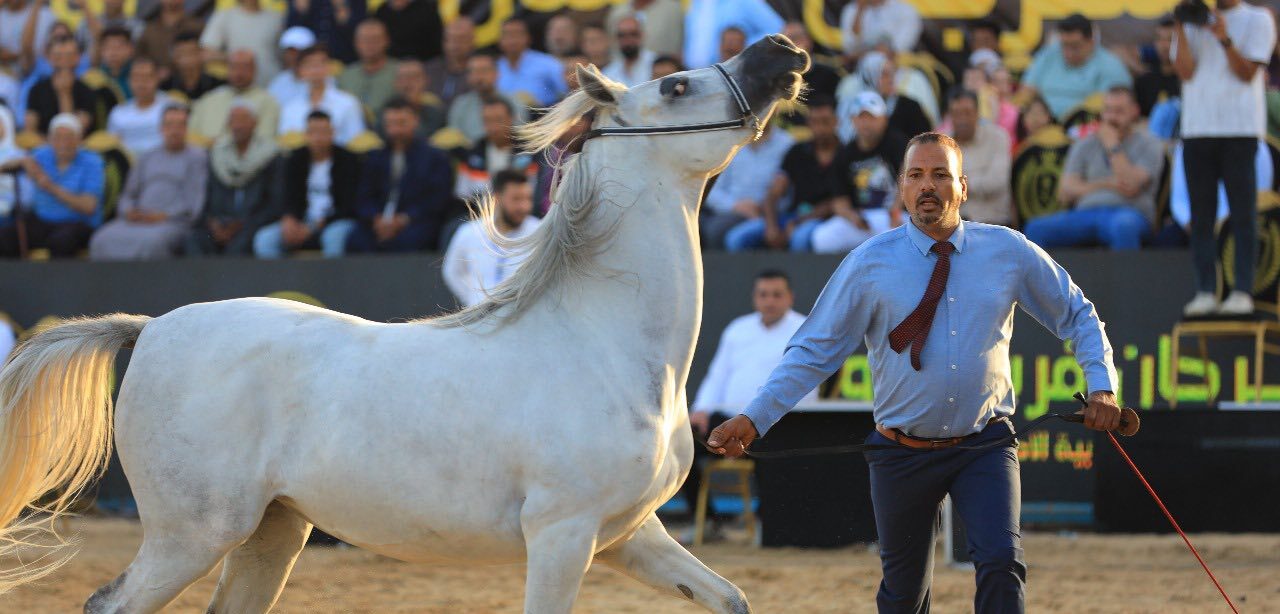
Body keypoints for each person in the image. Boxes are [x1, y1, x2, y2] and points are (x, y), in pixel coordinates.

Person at [707, 131, 1124, 614]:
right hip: (899, 451)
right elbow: (814, 351)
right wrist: (755, 417)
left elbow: (1077, 314)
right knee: (904, 595)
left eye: (941, 174)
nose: (928, 185)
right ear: (902, 189)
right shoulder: (869, 262)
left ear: (963, 187)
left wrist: (1102, 387)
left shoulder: (1007, 250)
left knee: (1001, 563)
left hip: (984, 444)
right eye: (916, 175)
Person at [681, 270, 814, 531]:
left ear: (790, 298)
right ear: (755, 298)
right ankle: (707, 522)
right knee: (682, 446)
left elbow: (807, 384)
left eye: (776, 295)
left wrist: (760, 421)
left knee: (776, 449)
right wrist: (701, 409)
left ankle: (768, 523)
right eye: (763, 295)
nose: (769, 301)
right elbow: (717, 376)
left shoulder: (804, 329)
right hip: (726, 420)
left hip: (777, 424)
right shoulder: (737, 329)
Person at [1174, 0, 1276, 317]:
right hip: (1197, 130)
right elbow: (1184, 71)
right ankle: (1206, 290)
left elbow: (1247, 73)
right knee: (1201, 217)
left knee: (1243, 214)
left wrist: (1224, 37)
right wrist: (1180, 25)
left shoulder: (1258, 18)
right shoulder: (1191, 21)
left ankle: (1242, 290)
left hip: (1239, 130)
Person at [1023, 87, 1164, 250]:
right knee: (1035, 228)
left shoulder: (1149, 143)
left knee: (1123, 226)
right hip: (1084, 213)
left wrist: (1112, 145)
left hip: (1129, 211)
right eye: (1108, 110)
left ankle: (1127, 268)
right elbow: (1065, 192)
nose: (1112, 118)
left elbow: (1130, 184)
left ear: (1134, 111)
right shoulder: (1085, 143)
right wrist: (1108, 184)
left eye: (1119, 111)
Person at [725, 96, 844, 252]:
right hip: (792, 217)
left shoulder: (846, 154)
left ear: (836, 122)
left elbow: (837, 203)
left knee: (800, 238)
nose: (819, 128)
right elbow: (773, 193)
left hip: (828, 221)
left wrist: (797, 223)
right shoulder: (797, 152)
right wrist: (772, 226)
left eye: (825, 122)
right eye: (814, 122)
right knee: (737, 239)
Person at [90, 105, 206, 260]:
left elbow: (194, 202)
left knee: (152, 243)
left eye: (180, 125)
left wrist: (163, 216)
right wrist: (129, 211)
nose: (174, 131)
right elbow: (128, 194)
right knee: (101, 239)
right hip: (138, 219)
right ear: (161, 129)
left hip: (172, 222)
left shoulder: (197, 158)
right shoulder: (147, 157)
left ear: (186, 129)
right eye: (169, 125)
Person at [348, 97, 453, 252]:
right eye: (391, 124)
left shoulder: (434, 157)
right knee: (356, 240)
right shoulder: (375, 157)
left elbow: (437, 199)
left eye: (401, 123)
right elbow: (364, 196)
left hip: (417, 221)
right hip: (378, 222)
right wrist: (376, 218)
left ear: (415, 121)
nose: (396, 130)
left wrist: (403, 219)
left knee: (411, 241)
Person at [811, 90, 908, 253]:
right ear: (852, 120)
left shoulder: (898, 143)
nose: (866, 123)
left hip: (895, 216)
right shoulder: (845, 154)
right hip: (864, 218)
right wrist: (853, 217)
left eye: (872, 117)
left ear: (884, 119)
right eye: (861, 117)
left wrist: (896, 210)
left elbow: (909, 181)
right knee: (822, 238)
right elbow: (839, 200)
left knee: (894, 238)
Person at [254, 110, 358, 258]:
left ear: (333, 133)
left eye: (323, 132)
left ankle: (333, 274)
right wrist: (288, 218)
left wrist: (315, 226)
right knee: (265, 239)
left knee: (334, 238)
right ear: (305, 135)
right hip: (302, 220)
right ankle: (280, 274)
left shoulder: (348, 160)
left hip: (335, 221)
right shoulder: (294, 159)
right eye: (313, 132)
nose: (318, 137)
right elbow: (286, 196)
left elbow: (348, 205)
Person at [0, 113, 102, 258]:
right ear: (50, 139)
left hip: (77, 222)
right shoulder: (42, 155)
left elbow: (89, 206)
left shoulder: (92, 162)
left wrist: (51, 187)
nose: (63, 143)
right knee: (5, 238)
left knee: (61, 241)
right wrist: (22, 162)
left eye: (69, 137)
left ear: (79, 140)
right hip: (42, 220)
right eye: (57, 137)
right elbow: (7, 167)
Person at [187, 100, 280, 256]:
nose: (238, 126)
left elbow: (274, 203)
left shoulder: (270, 156)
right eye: (234, 120)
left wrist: (242, 224)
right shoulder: (217, 155)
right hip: (219, 225)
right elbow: (207, 196)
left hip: (252, 224)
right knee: (194, 241)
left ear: (255, 123)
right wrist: (213, 222)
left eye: (243, 120)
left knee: (240, 247)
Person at [442, 169, 540, 307]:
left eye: (528, 199)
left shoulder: (539, 232)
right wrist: (474, 301)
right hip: (480, 317)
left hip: (524, 315)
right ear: (496, 198)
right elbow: (452, 272)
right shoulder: (469, 232)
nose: (524, 206)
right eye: (516, 199)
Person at [1019, 14, 1133, 120]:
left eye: (1075, 47)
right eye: (1064, 45)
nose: (1068, 53)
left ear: (1091, 42)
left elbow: (1114, 110)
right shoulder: (1049, 55)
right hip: (1041, 122)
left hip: (1084, 124)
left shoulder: (1111, 67)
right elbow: (1027, 89)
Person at [701, 122, 794, 249]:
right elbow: (712, 190)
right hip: (731, 210)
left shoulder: (787, 144)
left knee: (716, 230)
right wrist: (735, 205)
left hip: (773, 214)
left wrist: (765, 210)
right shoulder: (730, 142)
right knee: (696, 225)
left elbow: (789, 190)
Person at [945, 89, 1012, 227]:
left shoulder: (998, 137)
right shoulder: (943, 143)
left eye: (967, 113)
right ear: (950, 116)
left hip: (992, 224)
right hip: (954, 226)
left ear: (977, 113)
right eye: (956, 114)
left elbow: (996, 182)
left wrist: (956, 183)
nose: (962, 119)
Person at [452, 96, 536, 200]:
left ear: (512, 118)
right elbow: (462, 198)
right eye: (487, 121)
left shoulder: (530, 153)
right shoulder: (471, 155)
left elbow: (536, 194)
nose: (493, 127)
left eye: (499, 120)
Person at [279, 45, 366, 144]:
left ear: (330, 67)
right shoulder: (289, 108)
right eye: (310, 65)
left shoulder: (348, 103)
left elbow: (356, 141)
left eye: (321, 64)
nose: (316, 69)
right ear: (301, 71)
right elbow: (286, 142)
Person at [190, 49, 281, 142]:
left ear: (254, 70)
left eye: (244, 67)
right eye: (234, 67)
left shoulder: (268, 102)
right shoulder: (209, 99)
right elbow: (191, 135)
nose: (239, 73)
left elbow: (265, 139)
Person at [201, 0, 286, 87]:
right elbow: (206, 52)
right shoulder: (225, 16)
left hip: (272, 85)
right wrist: (237, 59)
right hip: (239, 87)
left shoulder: (276, 18)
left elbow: (285, 55)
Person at [448, 53, 526, 143]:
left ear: (497, 73)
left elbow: (520, 136)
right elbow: (454, 136)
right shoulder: (460, 105)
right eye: (473, 72)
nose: (479, 77)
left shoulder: (515, 102)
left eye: (484, 71)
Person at [24, 35, 94, 135]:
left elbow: (74, 132)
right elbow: (30, 130)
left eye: (69, 56)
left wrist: (64, 94)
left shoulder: (87, 90)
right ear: (49, 57)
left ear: (78, 57)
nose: (64, 61)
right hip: (43, 142)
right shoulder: (36, 90)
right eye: (58, 56)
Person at [682, 0, 782, 69]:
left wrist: (744, 47)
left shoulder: (745, 2)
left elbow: (777, 30)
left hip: (730, 75)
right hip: (694, 75)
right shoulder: (696, 3)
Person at [496, 17, 567, 107]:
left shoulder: (549, 64)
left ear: (528, 38)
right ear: (499, 40)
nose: (512, 40)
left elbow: (566, 93)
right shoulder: (494, 68)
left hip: (544, 113)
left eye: (517, 34)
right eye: (508, 35)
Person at [106, 57, 171, 154]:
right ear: (129, 81)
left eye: (147, 77)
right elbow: (113, 146)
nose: (141, 83)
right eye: (136, 78)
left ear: (157, 78)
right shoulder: (118, 112)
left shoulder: (171, 108)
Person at [338, 19, 398, 113]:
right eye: (364, 39)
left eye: (375, 39)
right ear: (356, 43)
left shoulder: (400, 72)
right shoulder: (346, 75)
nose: (370, 44)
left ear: (387, 41)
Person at [286, 0, 364, 64]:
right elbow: (292, 31)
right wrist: (301, 11)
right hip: (309, 59)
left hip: (344, 59)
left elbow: (359, 30)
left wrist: (341, 7)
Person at [839, 0, 922, 57]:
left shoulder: (906, 10)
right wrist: (860, 11)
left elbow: (900, 48)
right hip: (858, 68)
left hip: (898, 69)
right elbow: (849, 48)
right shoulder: (851, 10)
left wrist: (875, 52)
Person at [135, 0, 202, 71]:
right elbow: (139, 58)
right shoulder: (148, 29)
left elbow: (205, 55)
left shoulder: (197, 26)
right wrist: (155, 71)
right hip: (156, 76)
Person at [423, 16, 473, 109]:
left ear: (472, 41)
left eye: (461, 39)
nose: (455, 45)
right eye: (450, 39)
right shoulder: (430, 70)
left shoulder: (478, 71)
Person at [1135, 17, 1181, 117]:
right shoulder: (1144, 81)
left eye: (1170, 40)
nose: (1164, 46)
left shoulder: (1188, 81)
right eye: (1160, 39)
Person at [605, 0, 683, 59]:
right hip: (621, 72)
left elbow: (679, 46)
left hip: (662, 71)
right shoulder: (617, 11)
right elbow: (612, 45)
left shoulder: (672, 9)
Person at [160, 33, 225, 102]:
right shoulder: (164, 87)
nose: (187, 59)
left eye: (191, 53)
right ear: (173, 58)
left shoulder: (218, 85)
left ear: (201, 54)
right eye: (181, 54)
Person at [390, 60, 445, 138]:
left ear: (426, 80)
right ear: (395, 83)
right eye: (402, 78)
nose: (407, 83)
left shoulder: (436, 111)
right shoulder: (386, 111)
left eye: (413, 77)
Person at [373, 0, 442, 61]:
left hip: (424, 63)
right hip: (390, 64)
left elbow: (436, 44)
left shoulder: (427, 9)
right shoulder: (381, 11)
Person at [602, 16, 655, 88]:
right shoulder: (608, 73)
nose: (628, 39)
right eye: (622, 35)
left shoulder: (657, 63)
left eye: (633, 34)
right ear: (615, 38)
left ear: (642, 35)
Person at [94, 25, 133, 99]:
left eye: (119, 47)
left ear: (130, 49)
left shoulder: (140, 75)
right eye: (109, 47)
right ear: (101, 50)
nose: (113, 52)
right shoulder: (94, 78)